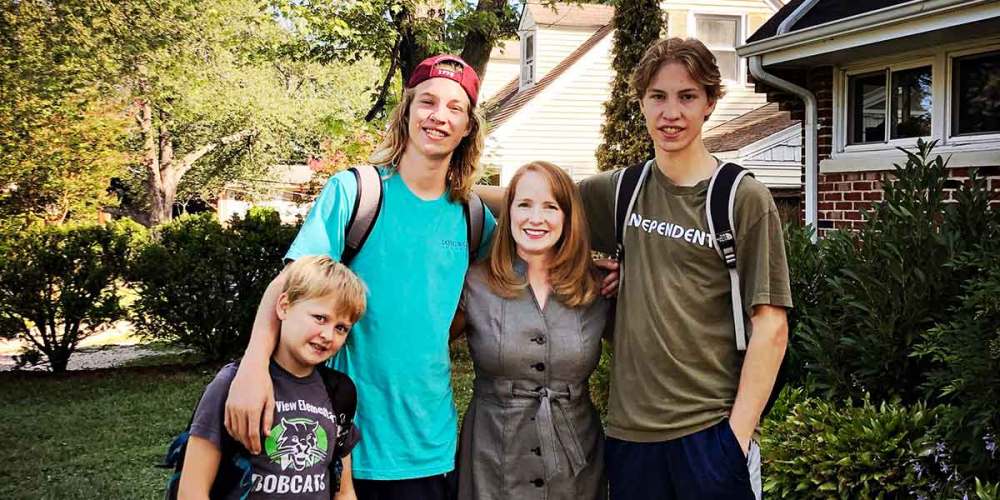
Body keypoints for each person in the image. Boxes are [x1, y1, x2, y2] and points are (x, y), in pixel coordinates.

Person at [475, 37, 791, 500]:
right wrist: (449, 190)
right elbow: (539, 206)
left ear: (709, 103)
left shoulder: (740, 199)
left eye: (687, 96)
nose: (671, 113)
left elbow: (771, 328)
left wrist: (736, 438)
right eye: (657, 97)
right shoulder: (621, 191)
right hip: (630, 439)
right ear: (641, 102)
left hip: (709, 430)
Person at [223, 54, 496, 500]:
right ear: (407, 110)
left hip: (430, 445)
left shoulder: (473, 218)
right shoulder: (357, 192)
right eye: (427, 102)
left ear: (468, 127)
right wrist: (253, 369)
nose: (439, 116)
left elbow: (510, 277)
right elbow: (290, 284)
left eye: (455, 108)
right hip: (336, 440)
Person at [451, 161, 608, 500]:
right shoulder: (474, 282)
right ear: (509, 212)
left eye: (550, 206)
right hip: (493, 458)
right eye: (524, 204)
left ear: (568, 216)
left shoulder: (597, 287)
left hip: (575, 464)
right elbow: (426, 348)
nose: (535, 218)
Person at [177, 256, 367, 500]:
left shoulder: (339, 392)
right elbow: (191, 491)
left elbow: (344, 490)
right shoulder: (234, 384)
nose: (328, 335)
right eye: (320, 318)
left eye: (341, 328)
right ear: (284, 306)